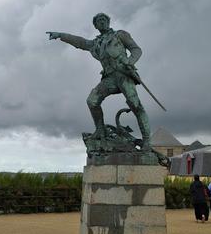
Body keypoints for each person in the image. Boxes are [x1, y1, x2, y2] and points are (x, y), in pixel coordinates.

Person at [46, 13, 153, 150]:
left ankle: (147, 141)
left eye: (104, 20)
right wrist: (60, 35)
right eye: (99, 21)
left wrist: (130, 61)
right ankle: (100, 130)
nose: (102, 22)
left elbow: (136, 49)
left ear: (108, 22)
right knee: (92, 101)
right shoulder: (95, 43)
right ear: (95, 26)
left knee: (135, 104)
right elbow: (80, 42)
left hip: (123, 74)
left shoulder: (120, 35)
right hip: (109, 78)